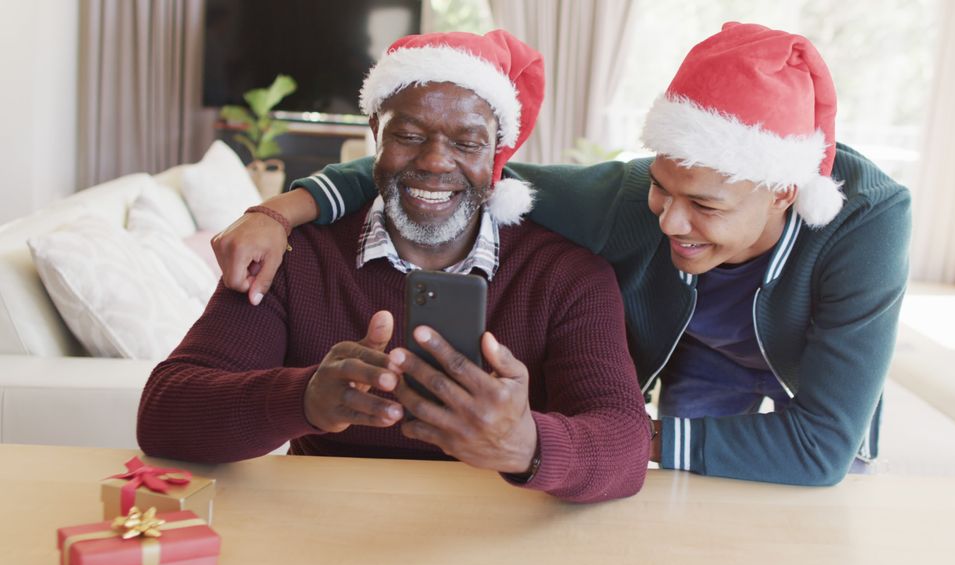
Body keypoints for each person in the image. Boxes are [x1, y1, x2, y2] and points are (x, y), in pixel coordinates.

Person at [213, 23, 911, 486]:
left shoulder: (869, 224)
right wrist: (278, 211)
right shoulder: (626, 195)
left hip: (797, 360)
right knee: (689, 502)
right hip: (698, 353)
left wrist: (565, 444)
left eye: (704, 205)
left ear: (785, 191)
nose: (669, 219)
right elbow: (444, 171)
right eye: (661, 189)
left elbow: (820, 448)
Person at [138, 30, 652, 503]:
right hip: (324, 524)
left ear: (496, 150)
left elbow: (627, 446)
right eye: (408, 135)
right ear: (374, 134)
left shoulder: (566, 276)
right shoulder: (293, 255)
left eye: (466, 143)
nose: (434, 161)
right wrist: (304, 399)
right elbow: (164, 414)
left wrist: (527, 444)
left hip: (496, 529)